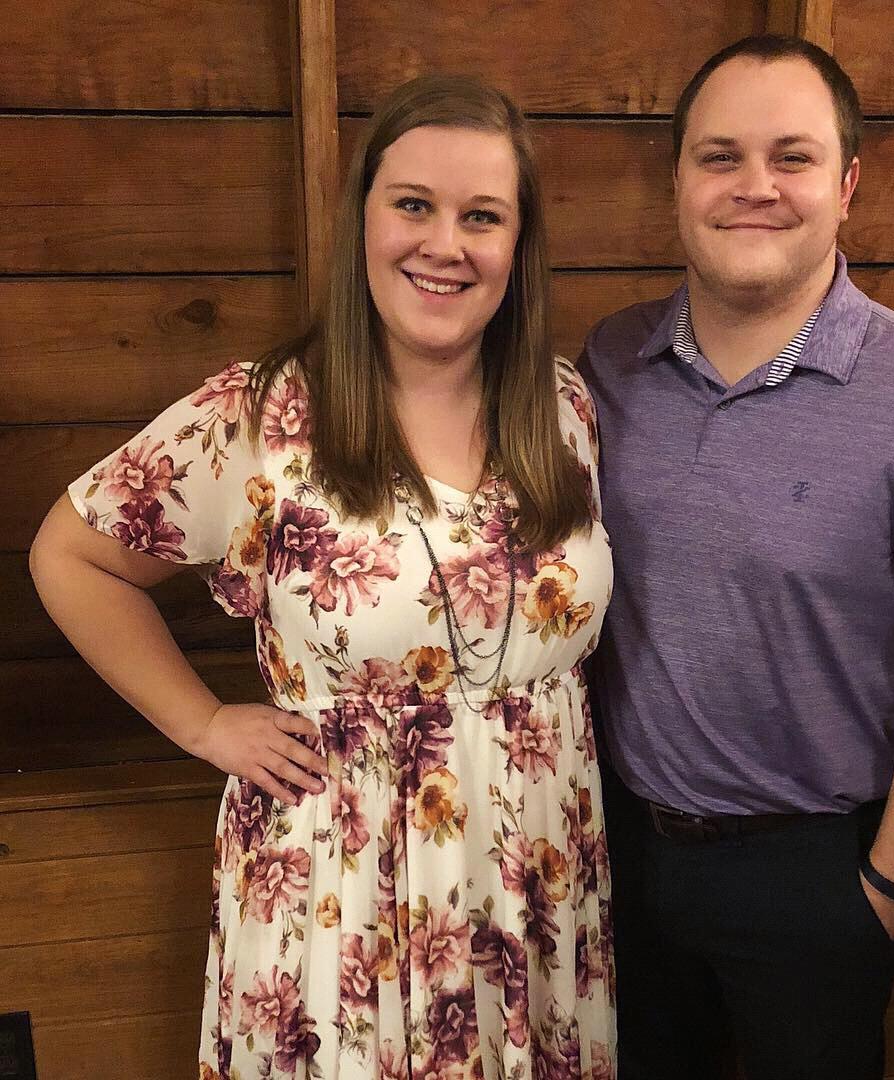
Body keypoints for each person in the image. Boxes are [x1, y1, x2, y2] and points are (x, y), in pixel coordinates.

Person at [31, 75, 615, 1080]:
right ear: (363, 221)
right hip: (344, 893)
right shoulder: (260, 417)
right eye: (413, 205)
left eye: (482, 216)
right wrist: (202, 724)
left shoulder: (563, 410)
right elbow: (72, 555)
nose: (445, 244)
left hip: (537, 880)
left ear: (518, 245)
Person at [578, 34, 894, 1080]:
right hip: (621, 853)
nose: (756, 186)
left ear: (847, 185)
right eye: (720, 157)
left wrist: (886, 892)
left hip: (817, 876)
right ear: (677, 181)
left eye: (793, 157)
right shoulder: (609, 364)